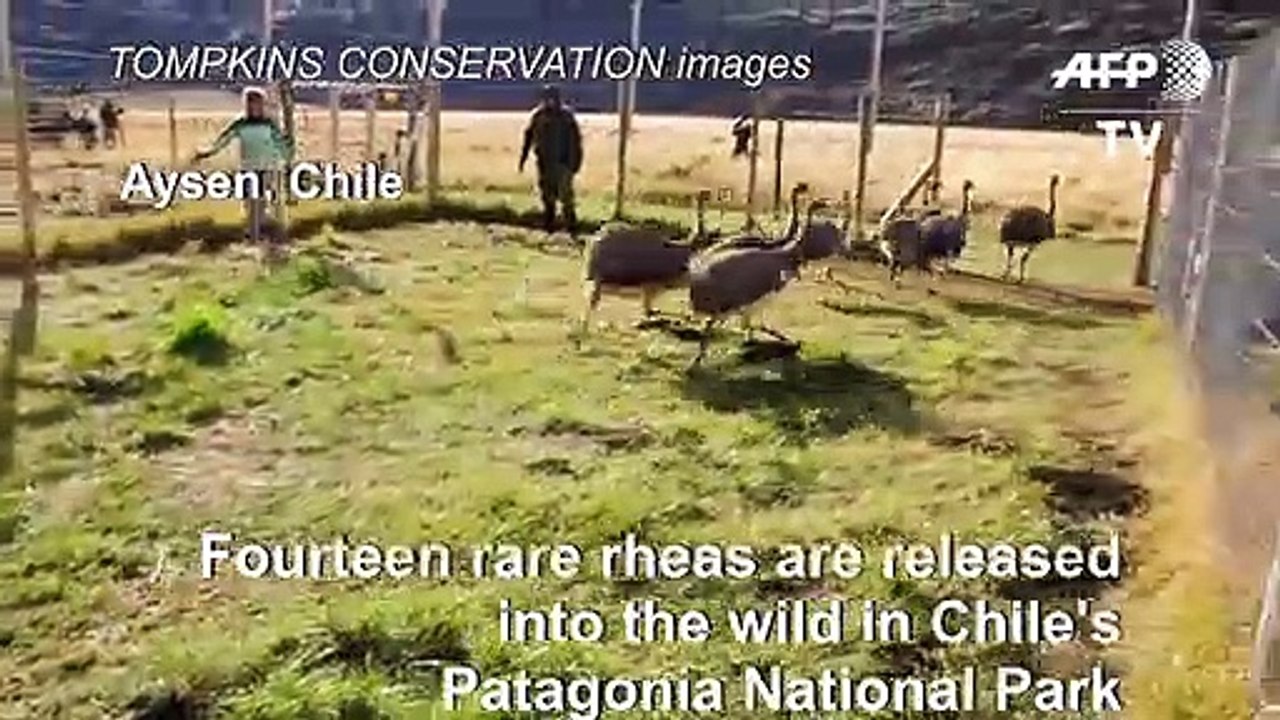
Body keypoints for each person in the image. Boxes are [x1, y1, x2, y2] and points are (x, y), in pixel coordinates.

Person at [191, 87, 294, 259]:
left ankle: (264, 237)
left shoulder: (269, 125)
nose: (255, 107)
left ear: (263, 105)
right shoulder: (241, 124)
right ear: (246, 105)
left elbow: (280, 144)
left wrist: (287, 156)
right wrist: (207, 152)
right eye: (251, 104)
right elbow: (223, 140)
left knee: (260, 203)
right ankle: (255, 239)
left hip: (266, 168)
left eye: (258, 104)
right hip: (248, 168)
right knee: (250, 204)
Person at [519, 85, 583, 235]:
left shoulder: (567, 117)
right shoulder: (538, 116)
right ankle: (549, 227)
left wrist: (575, 163)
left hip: (563, 163)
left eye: (551, 98)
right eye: (546, 98)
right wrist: (523, 158)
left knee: (566, 197)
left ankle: (572, 228)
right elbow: (528, 137)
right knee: (547, 197)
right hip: (544, 163)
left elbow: (575, 141)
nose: (549, 102)